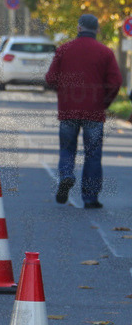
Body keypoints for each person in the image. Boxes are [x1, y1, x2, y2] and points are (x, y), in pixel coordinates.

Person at [44, 14, 121, 209]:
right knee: (93, 154)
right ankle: (90, 198)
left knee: (67, 149)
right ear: (97, 30)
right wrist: (104, 102)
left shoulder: (63, 50)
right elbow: (115, 82)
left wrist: (63, 92)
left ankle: (67, 175)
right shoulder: (105, 52)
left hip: (68, 110)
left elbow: (51, 78)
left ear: (79, 28)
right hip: (94, 112)